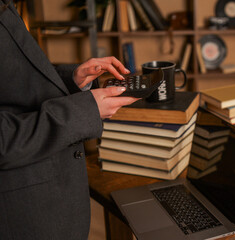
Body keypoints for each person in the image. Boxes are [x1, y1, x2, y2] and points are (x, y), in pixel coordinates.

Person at [0, 1, 139, 239]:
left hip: (52, 208)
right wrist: (83, 110)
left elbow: (15, 85)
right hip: (25, 218)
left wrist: (73, 80)